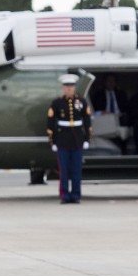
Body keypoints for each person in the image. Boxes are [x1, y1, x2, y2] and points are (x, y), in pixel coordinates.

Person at [47, 74, 91, 204]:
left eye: (71, 86)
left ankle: (76, 195)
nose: (69, 89)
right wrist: (53, 141)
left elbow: (87, 122)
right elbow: (50, 123)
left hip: (77, 139)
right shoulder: (57, 103)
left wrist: (87, 139)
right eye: (66, 86)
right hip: (62, 140)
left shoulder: (81, 102)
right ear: (63, 88)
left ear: (74, 87)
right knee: (64, 171)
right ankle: (65, 195)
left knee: (76, 170)